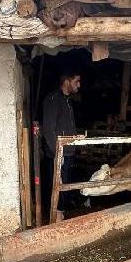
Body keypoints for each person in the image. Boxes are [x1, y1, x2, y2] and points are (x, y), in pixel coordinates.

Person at [41, 67, 81, 219]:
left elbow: (62, 127)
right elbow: (48, 130)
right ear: (66, 82)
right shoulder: (52, 100)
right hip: (58, 153)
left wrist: (74, 137)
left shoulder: (67, 101)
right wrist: (58, 153)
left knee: (65, 185)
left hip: (68, 152)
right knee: (58, 186)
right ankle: (57, 219)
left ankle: (61, 215)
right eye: (76, 81)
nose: (79, 85)